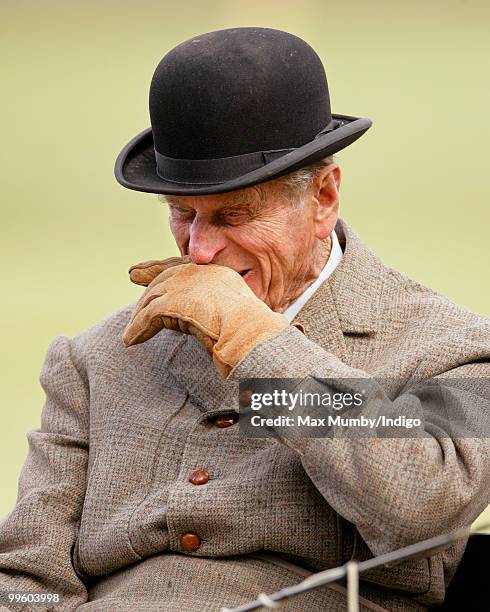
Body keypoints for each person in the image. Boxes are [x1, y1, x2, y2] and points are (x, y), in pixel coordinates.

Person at [0, 27, 489, 612]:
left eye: (233, 215)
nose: (199, 250)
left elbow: (419, 504)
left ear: (324, 198)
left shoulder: (450, 346)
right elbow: (24, 580)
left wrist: (260, 344)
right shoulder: (93, 359)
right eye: (183, 213)